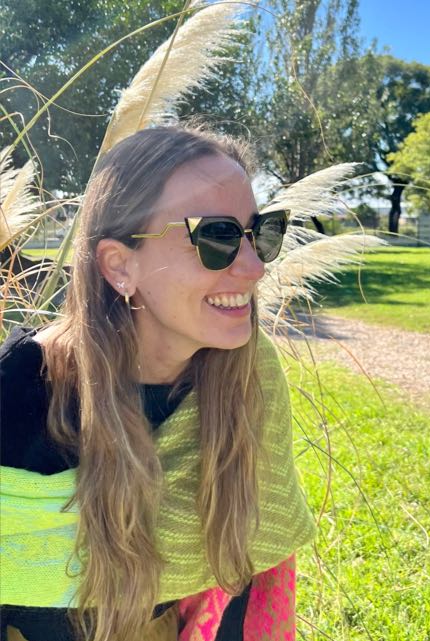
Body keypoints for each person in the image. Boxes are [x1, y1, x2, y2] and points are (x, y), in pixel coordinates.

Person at [0, 126, 316, 641]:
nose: (255, 267)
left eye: (262, 232)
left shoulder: (247, 374)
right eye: (216, 237)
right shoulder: (17, 395)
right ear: (120, 266)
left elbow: (245, 578)